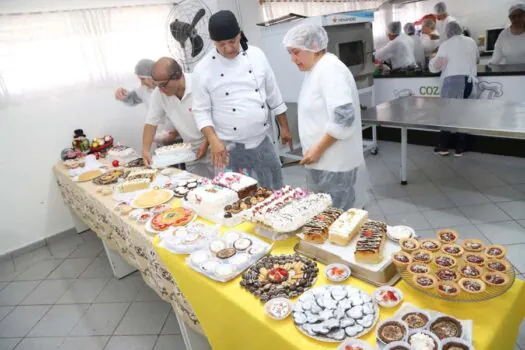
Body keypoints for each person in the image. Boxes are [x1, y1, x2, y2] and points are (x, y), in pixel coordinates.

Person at [192, 10, 293, 189]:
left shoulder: (257, 55)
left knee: (273, 191)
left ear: (240, 34)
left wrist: (284, 127)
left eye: (232, 41)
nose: (228, 48)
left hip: (262, 142)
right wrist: (214, 140)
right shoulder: (203, 69)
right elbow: (201, 111)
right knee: (233, 197)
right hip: (227, 148)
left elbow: (273, 95)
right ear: (213, 42)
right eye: (221, 44)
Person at [283, 23, 369, 210]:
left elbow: (344, 118)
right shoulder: (315, 69)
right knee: (326, 216)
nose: (292, 59)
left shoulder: (330, 69)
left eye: (296, 52)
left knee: (338, 217)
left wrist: (317, 150)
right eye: (290, 52)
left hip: (334, 163)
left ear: (313, 46)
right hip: (324, 161)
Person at [142, 57, 213, 177]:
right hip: (190, 151)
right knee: (198, 189)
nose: (161, 89)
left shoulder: (199, 82)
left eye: (163, 85)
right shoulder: (159, 93)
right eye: (157, 85)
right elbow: (151, 123)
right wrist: (145, 151)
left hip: (214, 145)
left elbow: (216, 117)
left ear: (178, 75)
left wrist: (207, 142)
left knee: (223, 187)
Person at [429, 21, 479, 157]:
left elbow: (435, 67)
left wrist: (432, 61)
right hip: (470, 82)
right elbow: (478, 60)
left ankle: (442, 146)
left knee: (448, 115)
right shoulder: (471, 41)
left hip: (453, 82)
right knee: (464, 115)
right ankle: (460, 148)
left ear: (447, 32)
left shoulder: (445, 45)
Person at [115, 59, 175, 145]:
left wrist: (174, 134)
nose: (141, 83)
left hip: (180, 135)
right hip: (161, 138)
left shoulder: (171, 87)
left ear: (152, 75)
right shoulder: (143, 90)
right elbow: (130, 98)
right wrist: (121, 92)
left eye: (143, 79)